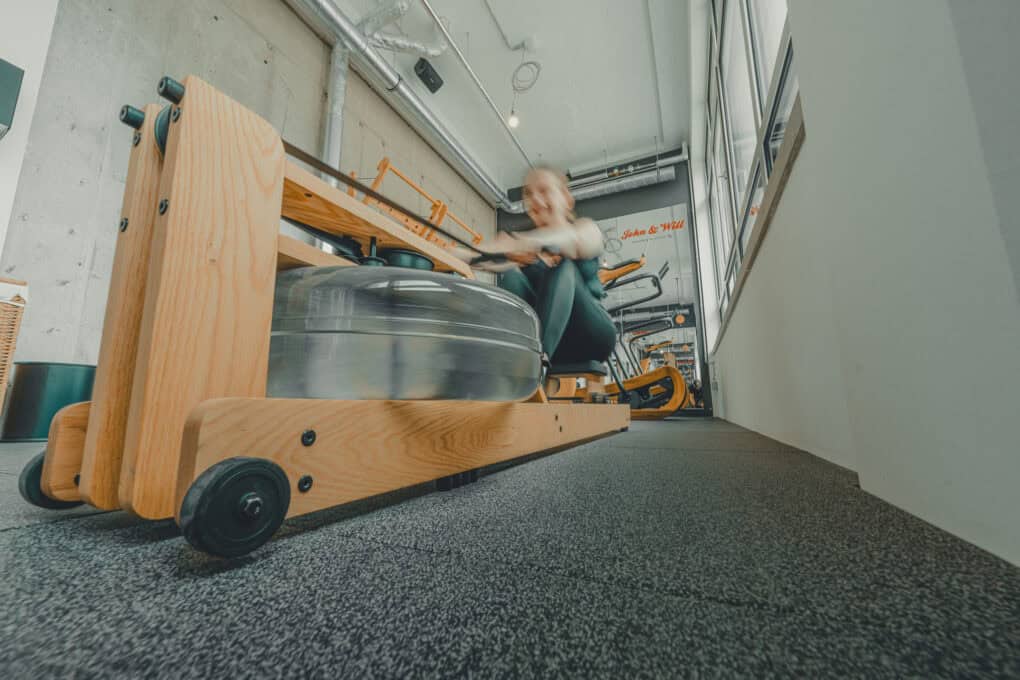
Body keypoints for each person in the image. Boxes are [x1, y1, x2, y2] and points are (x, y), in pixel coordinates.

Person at [463, 166, 617, 365]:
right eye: (528, 194)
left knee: (564, 267)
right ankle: (508, 357)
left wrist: (521, 243)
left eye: (544, 190)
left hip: (593, 336)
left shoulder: (585, 229)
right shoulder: (524, 247)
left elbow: (573, 240)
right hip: (555, 343)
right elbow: (475, 254)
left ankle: (533, 364)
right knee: (511, 275)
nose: (534, 199)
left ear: (566, 199)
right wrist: (447, 252)